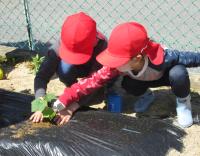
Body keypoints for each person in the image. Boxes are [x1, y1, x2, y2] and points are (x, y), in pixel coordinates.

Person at [53, 21, 200, 128]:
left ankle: (183, 104)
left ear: (136, 58)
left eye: (117, 59)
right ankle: (146, 95)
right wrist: (65, 99)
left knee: (178, 73)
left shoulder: (165, 57)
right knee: (128, 84)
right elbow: (91, 81)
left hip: (164, 77)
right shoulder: (117, 66)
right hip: (143, 80)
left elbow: (190, 58)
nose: (113, 63)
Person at [29, 12, 107, 124]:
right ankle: (73, 90)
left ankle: (81, 94)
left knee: (103, 90)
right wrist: (40, 104)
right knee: (64, 69)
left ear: (94, 42)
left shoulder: (103, 47)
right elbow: (41, 76)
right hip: (76, 70)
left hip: (93, 71)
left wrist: (73, 106)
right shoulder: (57, 48)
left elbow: (96, 82)